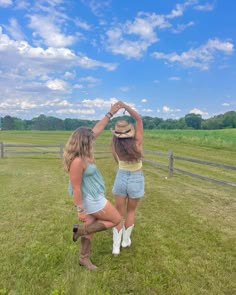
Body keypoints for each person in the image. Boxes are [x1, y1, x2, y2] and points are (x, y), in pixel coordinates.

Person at [63, 102, 122, 270]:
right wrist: (80, 209)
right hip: (90, 199)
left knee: (92, 226)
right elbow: (75, 187)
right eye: (90, 140)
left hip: (94, 195)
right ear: (83, 142)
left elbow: (98, 128)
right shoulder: (77, 161)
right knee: (116, 219)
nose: (93, 141)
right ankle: (80, 230)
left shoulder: (85, 153)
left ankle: (84, 258)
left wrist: (111, 113)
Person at [111, 102, 144, 256]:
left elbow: (115, 159)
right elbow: (138, 119)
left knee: (119, 213)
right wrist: (125, 106)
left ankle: (115, 247)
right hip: (137, 176)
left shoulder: (115, 143)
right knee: (130, 211)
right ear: (129, 131)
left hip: (121, 175)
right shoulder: (137, 141)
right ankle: (125, 241)